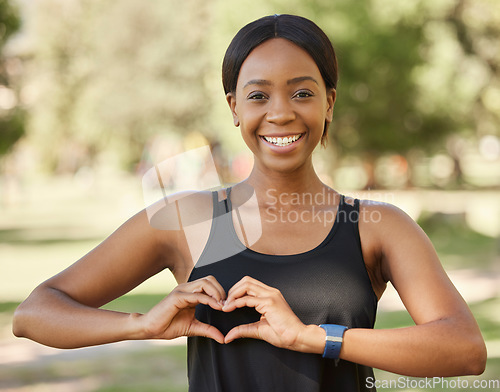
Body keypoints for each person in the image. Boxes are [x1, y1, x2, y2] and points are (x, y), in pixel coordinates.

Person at [13, 14, 486, 392]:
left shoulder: (375, 225)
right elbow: (35, 314)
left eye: (303, 92)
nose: (281, 112)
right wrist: (141, 324)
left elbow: (464, 349)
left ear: (330, 103)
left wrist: (313, 338)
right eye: (258, 95)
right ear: (235, 107)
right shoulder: (189, 221)